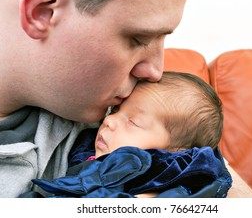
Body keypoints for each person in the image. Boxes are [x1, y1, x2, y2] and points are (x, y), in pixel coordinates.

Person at [0, 0, 210, 198]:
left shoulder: (104, 98)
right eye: (138, 39)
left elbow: (203, 165)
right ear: (42, 11)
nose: (155, 71)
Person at [28, 71, 231, 198]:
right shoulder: (87, 145)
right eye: (115, 111)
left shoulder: (165, 191)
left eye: (133, 122)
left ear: (177, 153)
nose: (109, 121)